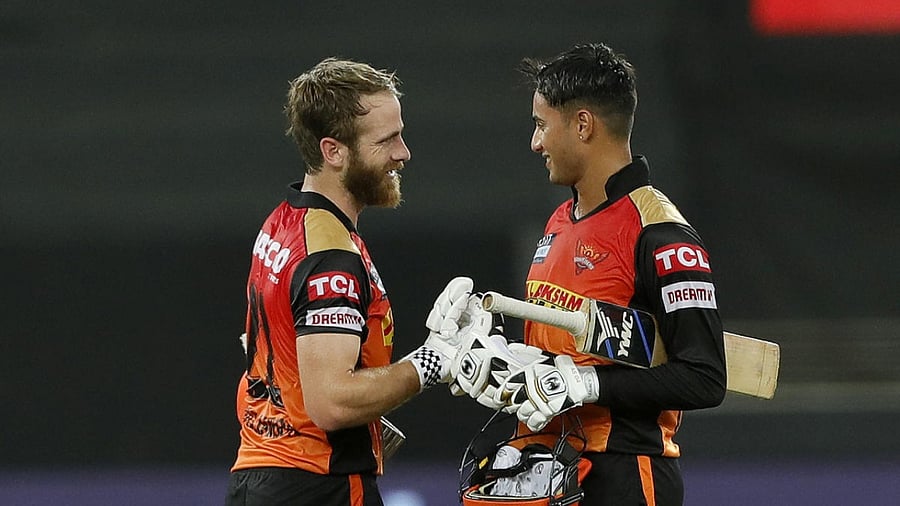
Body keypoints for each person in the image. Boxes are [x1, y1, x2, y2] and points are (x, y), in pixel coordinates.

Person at [449, 43, 727, 506]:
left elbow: (704, 377)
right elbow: (561, 359)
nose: (535, 143)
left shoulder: (661, 232)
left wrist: (590, 384)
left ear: (582, 125)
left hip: (625, 475)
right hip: (550, 468)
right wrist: (495, 361)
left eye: (541, 125)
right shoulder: (559, 220)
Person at [225, 57, 472, 506]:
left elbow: (261, 347)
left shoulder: (282, 224)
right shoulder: (330, 256)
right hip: (317, 485)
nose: (404, 152)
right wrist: (434, 361)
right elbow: (331, 403)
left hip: (263, 476)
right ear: (333, 151)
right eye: (387, 140)